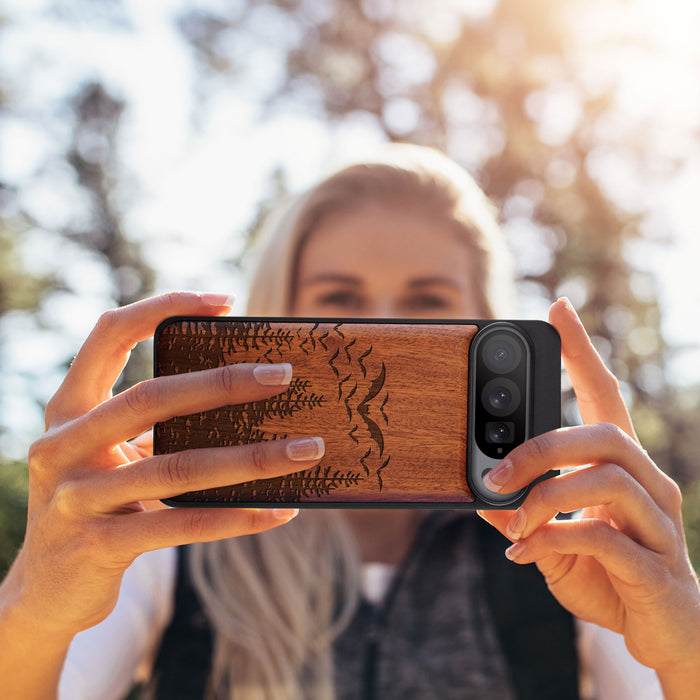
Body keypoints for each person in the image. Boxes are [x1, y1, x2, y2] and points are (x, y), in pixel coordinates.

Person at [0, 145, 698, 700]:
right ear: (278, 315)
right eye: (340, 299)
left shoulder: (567, 543)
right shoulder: (171, 534)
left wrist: (685, 648)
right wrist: (34, 607)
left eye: (428, 302)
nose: (382, 330)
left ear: (488, 323)